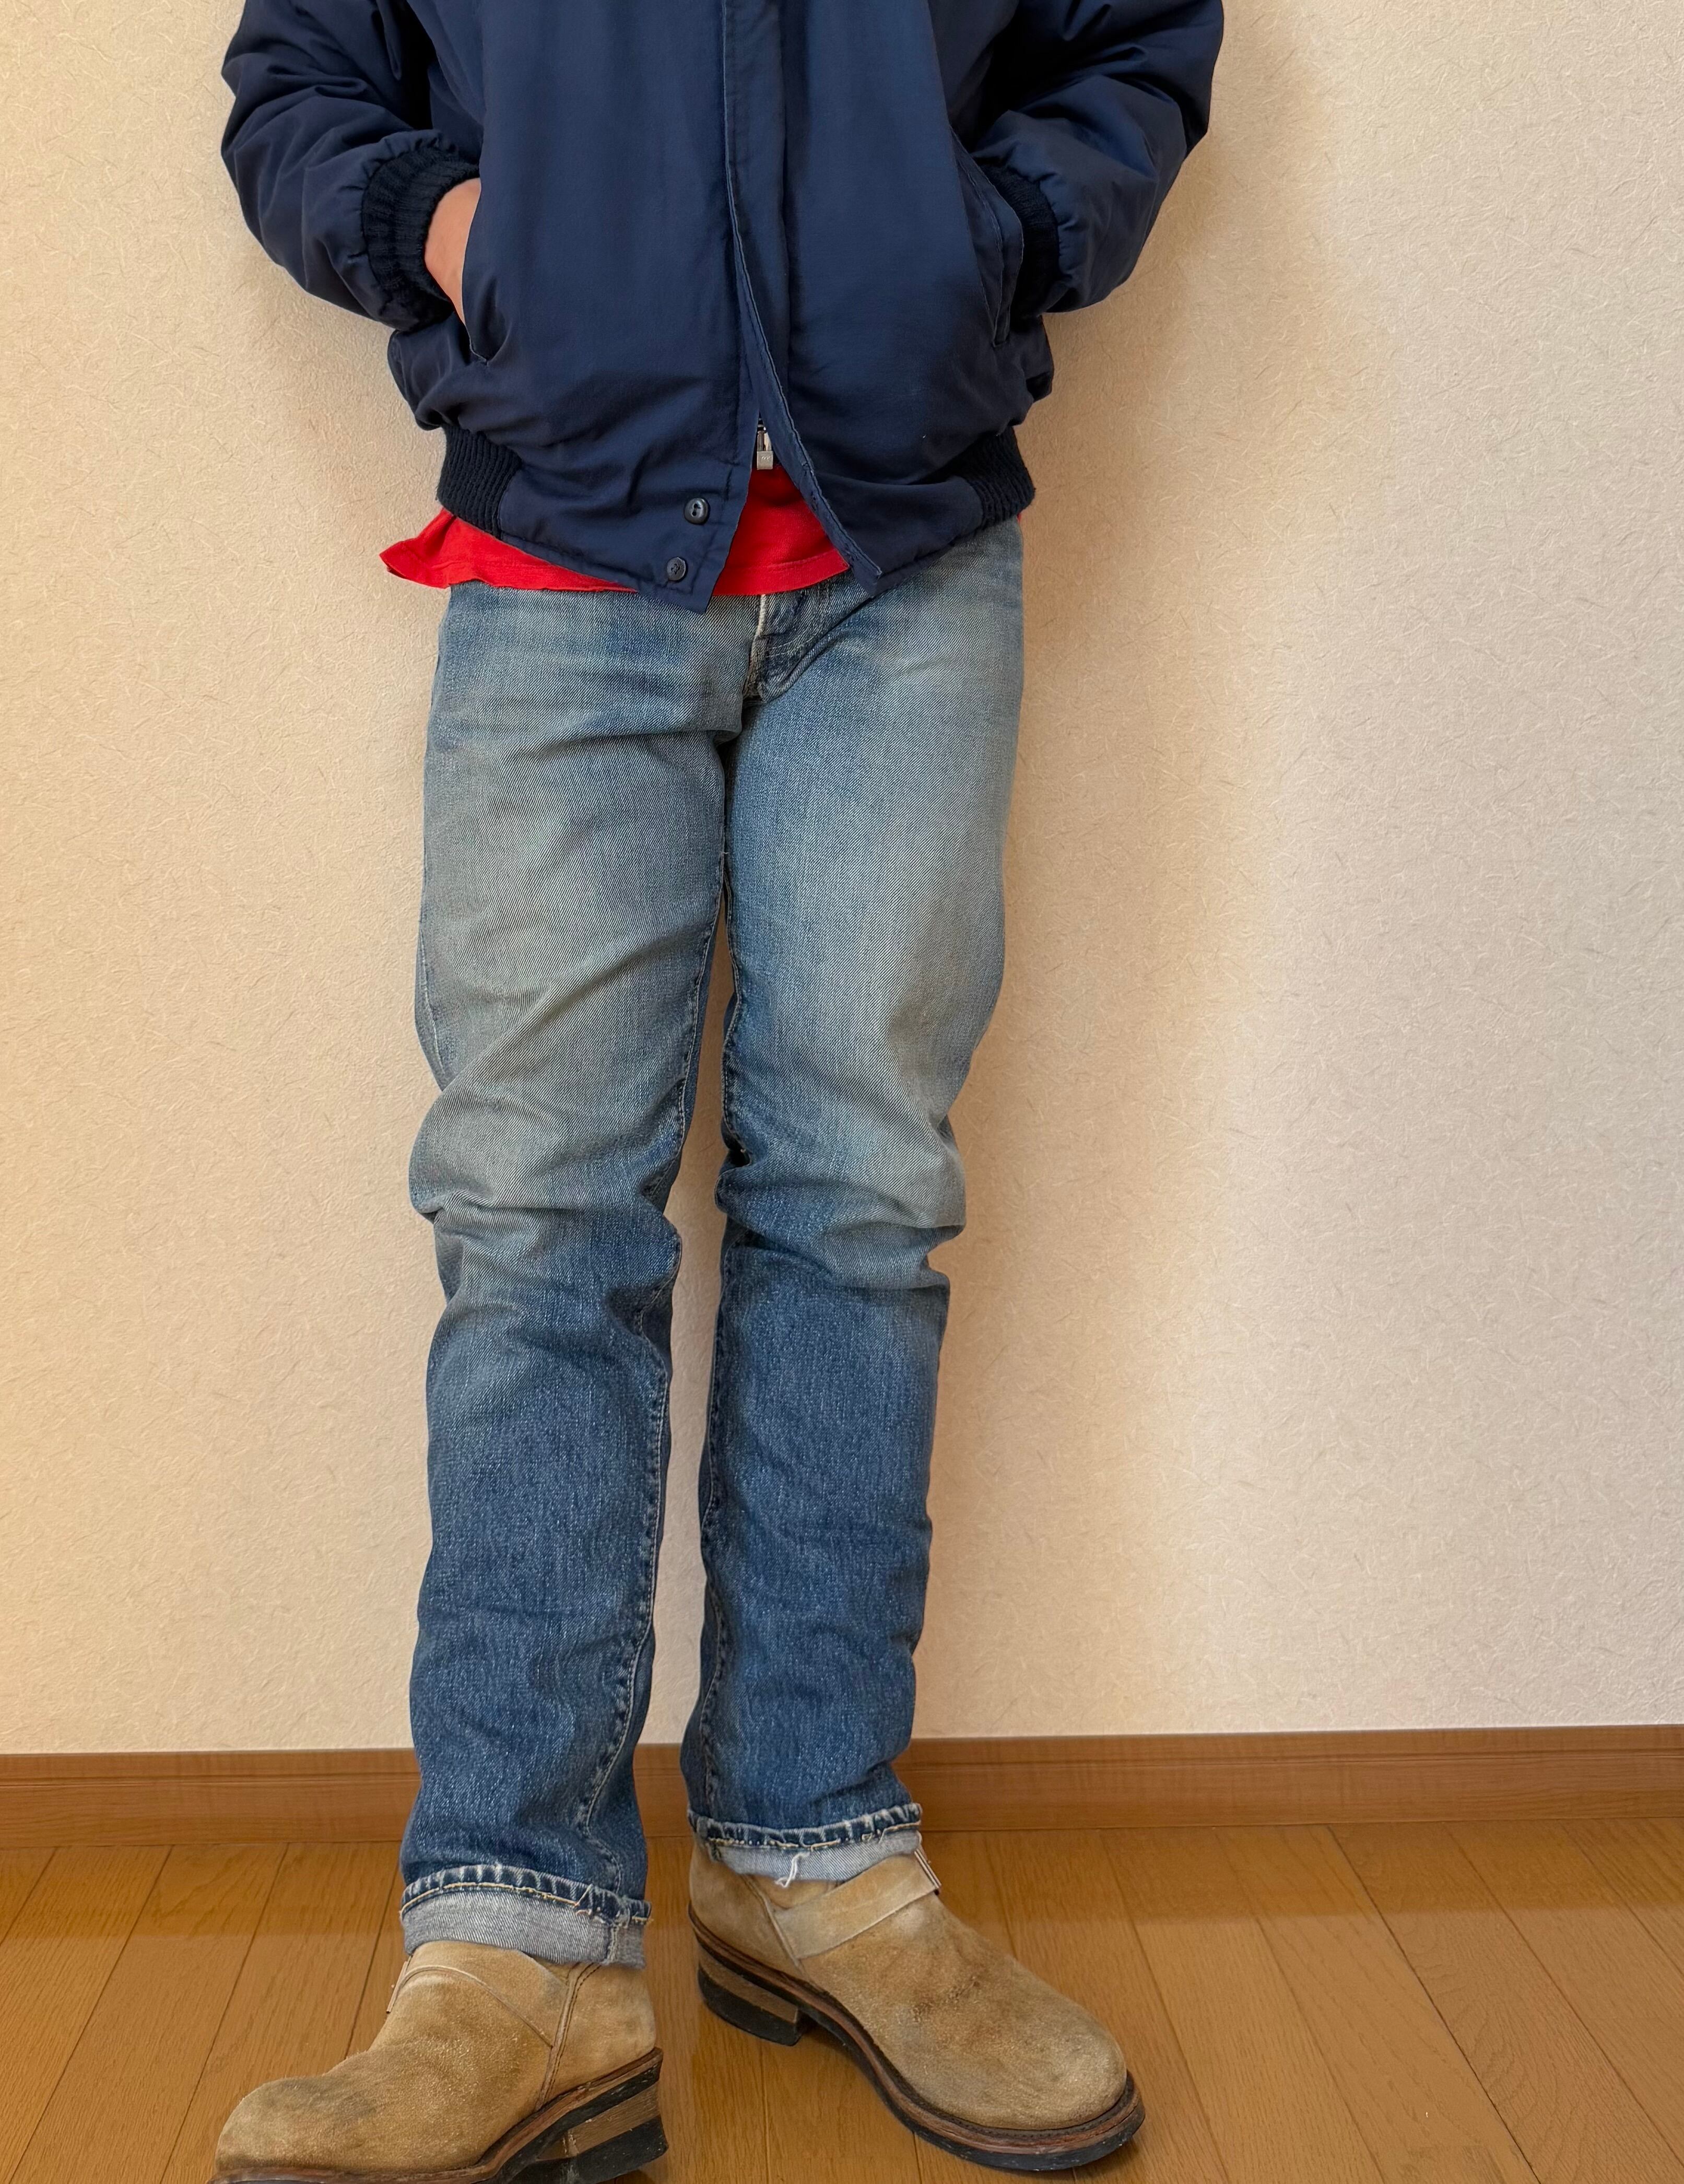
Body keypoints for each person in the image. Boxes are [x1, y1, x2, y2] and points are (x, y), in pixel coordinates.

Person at [210, 1, 1222, 2176]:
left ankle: (814, 1860)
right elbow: (299, 79)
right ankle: (518, 1944)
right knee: (533, 1225)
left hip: (903, 559)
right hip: (559, 548)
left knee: (862, 1199)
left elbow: (1131, 41)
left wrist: (974, 242)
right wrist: (462, 232)